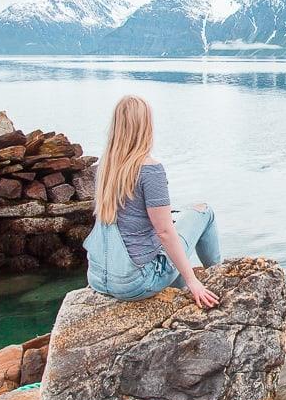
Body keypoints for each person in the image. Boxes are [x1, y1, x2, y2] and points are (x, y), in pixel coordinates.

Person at [84, 95, 221, 308]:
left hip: (99, 278)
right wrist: (193, 280)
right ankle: (218, 278)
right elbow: (164, 232)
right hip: (136, 282)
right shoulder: (150, 170)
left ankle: (178, 290)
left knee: (173, 226)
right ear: (145, 126)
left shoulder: (106, 168)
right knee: (204, 212)